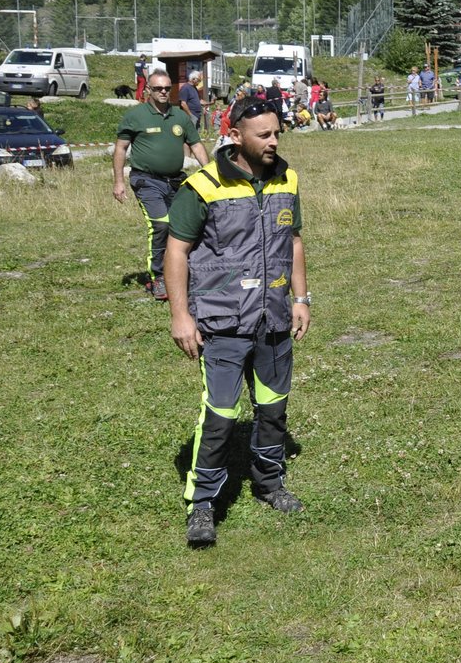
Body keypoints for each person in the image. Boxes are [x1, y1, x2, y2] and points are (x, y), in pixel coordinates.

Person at [164, 93, 312, 546]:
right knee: (221, 416)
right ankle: (203, 504)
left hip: (274, 319)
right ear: (235, 136)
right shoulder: (203, 186)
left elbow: (295, 242)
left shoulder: (287, 178)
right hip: (224, 324)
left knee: (272, 410)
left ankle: (269, 484)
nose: (274, 141)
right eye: (263, 134)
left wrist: (302, 298)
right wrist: (180, 316)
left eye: (277, 132)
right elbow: (176, 251)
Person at [112, 70, 210, 300]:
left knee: (184, 226)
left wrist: (210, 173)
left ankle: (182, 272)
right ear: (149, 90)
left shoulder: (180, 117)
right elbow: (120, 149)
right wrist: (118, 181)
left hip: (175, 181)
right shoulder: (135, 116)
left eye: (167, 88)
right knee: (161, 224)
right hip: (146, 180)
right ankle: (157, 277)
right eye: (158, 88)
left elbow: (196, 145)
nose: (164, 92)